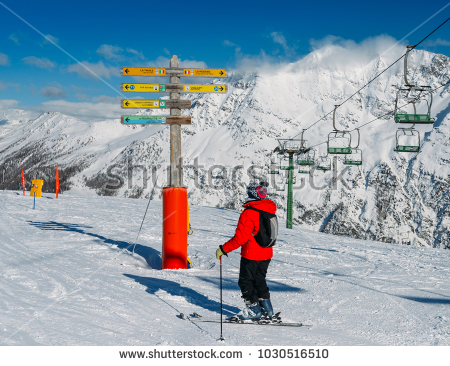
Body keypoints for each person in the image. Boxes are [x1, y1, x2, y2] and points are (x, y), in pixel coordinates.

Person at [216, 182, 277, 321]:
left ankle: (254, 311)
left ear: (250, 195)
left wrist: (223, 249)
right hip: (266, 253)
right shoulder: (268, 209)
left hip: (251, 255)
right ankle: (267, 310)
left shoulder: (249, 213)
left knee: (246, 282)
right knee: (260, 281)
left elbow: (240, 239)